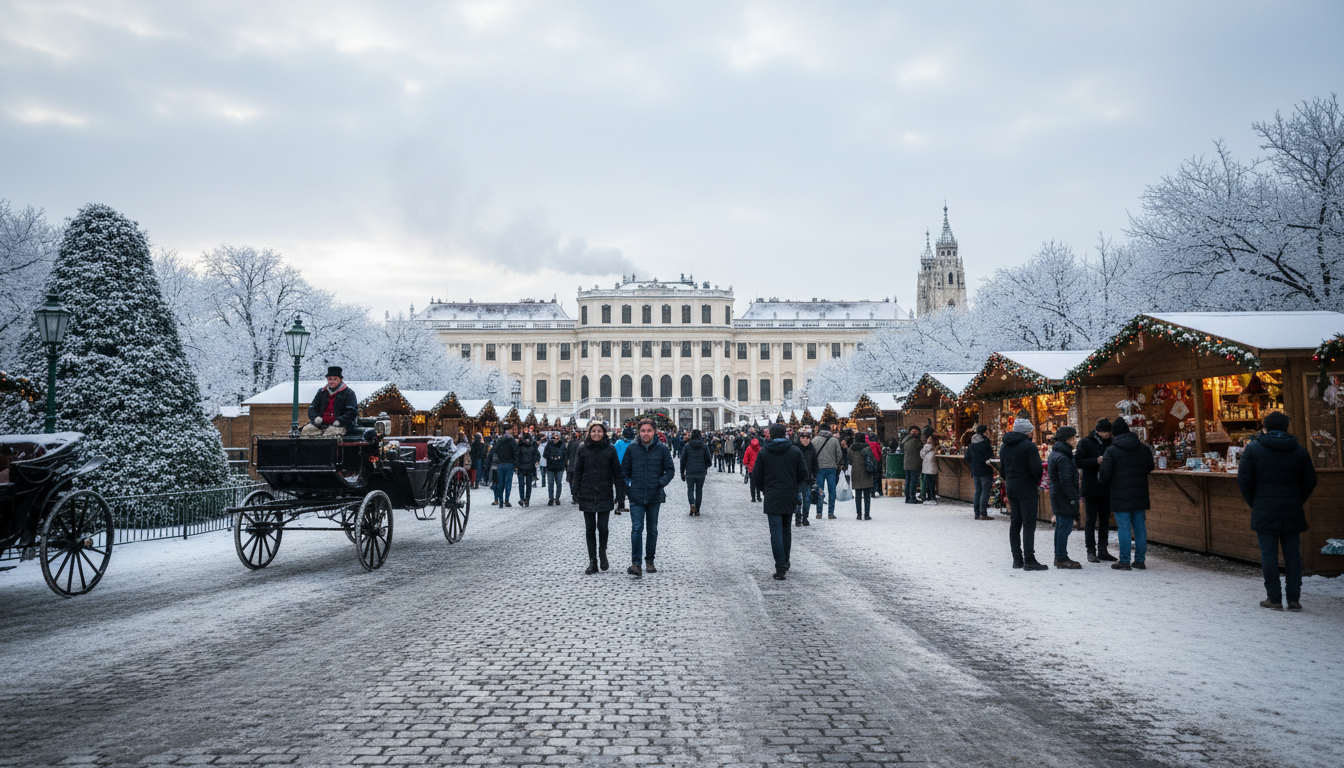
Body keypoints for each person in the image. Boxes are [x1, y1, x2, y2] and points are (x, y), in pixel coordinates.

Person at [1237, 411, 1318, 611]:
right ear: (1286, 427)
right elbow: (1310, 480)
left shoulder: (1254, 449)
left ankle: (1273, 598)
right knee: (1293, 555)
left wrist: (1255, 502)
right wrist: (1298, 499)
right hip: (1292, 509)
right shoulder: (1300, 451)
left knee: (1269, 555)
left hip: (1264, 508)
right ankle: (1294, 599)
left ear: (1265, 427)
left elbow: (1244, 480)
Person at [752, 423, 810, 580]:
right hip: (789, 494)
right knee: (786, 529)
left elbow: (756, 476)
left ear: (770, 434)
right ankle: (785, 560)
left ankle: (780, 565)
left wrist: (765, 489)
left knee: (775, 530)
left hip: (772, 494)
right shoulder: (795, 451)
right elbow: (803, 473)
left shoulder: (765, 452)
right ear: (785, 434)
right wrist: (793, 485)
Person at [1098, 416, 1154, 571]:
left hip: (1120, 494)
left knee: (1123, 527)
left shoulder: (1112, 450)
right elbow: (1150, 466)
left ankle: (1124, 560)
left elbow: (1104, 476)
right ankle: (1140, 560)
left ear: (1114, 434)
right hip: (1140, 492)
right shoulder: (1143, 448)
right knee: (1140, 527)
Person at [621, 419, 675, 577]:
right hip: (636, 495)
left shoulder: (662, 449)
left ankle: (650, 560)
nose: (646, 433)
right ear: (639, 432)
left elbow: (670, 470)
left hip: (654, 495)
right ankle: (636, 563)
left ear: (654, 432)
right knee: (637, 529)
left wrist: (660, 484)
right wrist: (628, 487)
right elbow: (624, 471)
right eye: (643, 431)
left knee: (652, 530)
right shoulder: (632, 449)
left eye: (649, 430)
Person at [572, 422, 624, 575]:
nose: (596, 434)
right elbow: (578, 471)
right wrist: (575, 490)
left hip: (604, 491)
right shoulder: (583, 449)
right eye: (593, 431)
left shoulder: (610, 449)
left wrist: (620, 495)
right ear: (589, 433)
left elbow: (617, 472)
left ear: (604, 433)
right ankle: (592, 560)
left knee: (603, 527)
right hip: (587, 492)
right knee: (589, 529)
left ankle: (602, 552)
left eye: (599, 431)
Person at [1000, 411, 1047, 570]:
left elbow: (1002, 470)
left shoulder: (1005, 446)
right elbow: (1037, 469)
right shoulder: (1029, 446)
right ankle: (1029, 559)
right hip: (1027, 488)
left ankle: (1017, 559)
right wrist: (1034, 481)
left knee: (1015, 524)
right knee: (1028, 524)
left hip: (1012, 487)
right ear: (1027, 432)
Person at [1074, 418, 1115, 562]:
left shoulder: (1111, 442)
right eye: (1105, 432)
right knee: (1091, 520)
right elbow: (1077, 461)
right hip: (1091, 487)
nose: (1107, 434)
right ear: (1098, 431)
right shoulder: (1085, 442)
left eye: (1109, 432)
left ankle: (1103, 549)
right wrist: (1094, 461)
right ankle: (1091, 550)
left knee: (1105, 520)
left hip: (1106, 486)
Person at [1048, 426, 1083, 569]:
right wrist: (1072, 498)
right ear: (1068, 440)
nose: (1075, 440)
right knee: (1064, 527)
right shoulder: (1063, 457)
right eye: (1074, 438)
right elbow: (1065, 481)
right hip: (1063, 496)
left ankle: (1060, 556)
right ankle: (1061, 557)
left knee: (1061, 526)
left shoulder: (1057, 453)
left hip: (1058, 494)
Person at [301, 367, 358, 438]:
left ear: (340, 379)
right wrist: (315, 418)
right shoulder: (321, 392)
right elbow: (312, 408)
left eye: (335, 379)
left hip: (341, 425)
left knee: (329, 436)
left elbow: (352, 411)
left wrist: (340, 421)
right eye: (330, 379)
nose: (332, 381)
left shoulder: (348, 393)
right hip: (321, 424)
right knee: (306, 430)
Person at [812, 427, 844, 519]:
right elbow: (839, 454)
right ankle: (831, 512)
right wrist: (836, 463)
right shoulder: (834, 440)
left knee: (820, 490)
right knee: (832, 490)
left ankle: (819, 512)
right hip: (831, 468)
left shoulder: (815, 440)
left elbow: (812, 454)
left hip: (819, 468)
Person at [965, 424, 994, 519]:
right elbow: (991, 457)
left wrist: (974, 462)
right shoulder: (986, 443)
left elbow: (967, 458)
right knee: (985, 491)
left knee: (978, 491)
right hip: (985, 469)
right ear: (985, 432)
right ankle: (983, 513)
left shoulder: (971, 444)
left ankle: (976, 513)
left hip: (975, 469)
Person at [681, 428, 712, 516]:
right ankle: (697, 509)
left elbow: (683, 460)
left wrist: (682, 472)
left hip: (690, 470)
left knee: (690, 490)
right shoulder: (704, 445)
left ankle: (692, 504)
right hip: (701, 471)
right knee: (699, 490)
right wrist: (705, 467)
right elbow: (708, 459)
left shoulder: (687, 446)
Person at [847, 435, 874, 520]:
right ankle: (867, 515)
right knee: (867, 495)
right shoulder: (867, 447)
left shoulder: (851, 448)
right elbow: (872, 459)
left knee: (858, 495)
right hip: (866, 472)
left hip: (856, 472)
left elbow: (849, 461)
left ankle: (859, 514)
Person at [492, 426, 518, 507]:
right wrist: (515, 463)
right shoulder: (512, 441)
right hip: (509, 464)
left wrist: (499, 457)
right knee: (508, 483)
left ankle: (500, 501)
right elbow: (516, 452)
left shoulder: (499, 441)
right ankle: (506, 500)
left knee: (501, 483)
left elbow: (494, 450)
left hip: (500, 464)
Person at [796, 431, 818, 527]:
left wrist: (815, 477)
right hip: (796, 478)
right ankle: (797, 517)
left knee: (807, 499)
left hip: (807, 478)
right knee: (797, 500)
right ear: (799, 438)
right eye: (803, 438)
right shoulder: (795, 449)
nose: (805, 440)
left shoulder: (812, 449)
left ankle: (805, 517)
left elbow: (815, 464)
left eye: (807, 438)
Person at [542, 433, 568, 506]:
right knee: (550, 483)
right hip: (550, 467)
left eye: (557, 438)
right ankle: (551, 498)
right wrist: (551, 457)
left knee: (558, 483)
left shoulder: (562, 445)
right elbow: (544, 454)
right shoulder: (549, 445)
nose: (555, 439)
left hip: (560, 467)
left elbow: (566, 456)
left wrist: (562, 460)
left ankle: (557, 498)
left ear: (559, 438)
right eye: (554, 438)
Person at [901, 427, 924, 504]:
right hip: (914, 464)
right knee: (913, 481)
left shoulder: (906, 440)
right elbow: (921, 451)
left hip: (907, 464)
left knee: (908, 481)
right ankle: (912, 497)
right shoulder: (916, 441)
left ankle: (907, 497)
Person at [515, 434, 539, 507]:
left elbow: (517, 456)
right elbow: (537, 455)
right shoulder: (533, 446)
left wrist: (516, 465)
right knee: (528, 485)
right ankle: (527, 499)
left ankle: (523, 498)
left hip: (522, 467)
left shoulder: (519, 446)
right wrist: (536, 461)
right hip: (529, 467)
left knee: (522, 484)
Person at [919, 435, 938, 503]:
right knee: (932, 483)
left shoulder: (925, 448)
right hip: (932, 468)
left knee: (927, 483)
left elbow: (921, 455)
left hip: (926, 468)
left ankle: (929, 497)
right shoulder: (934, 448)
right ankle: (932, 496)